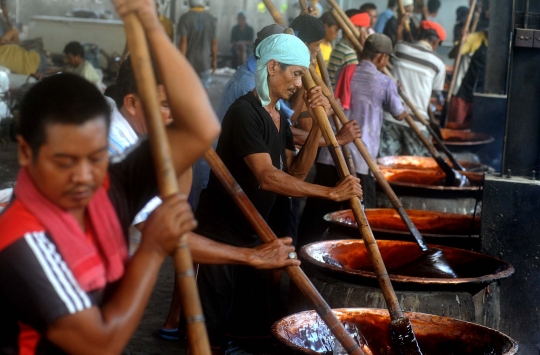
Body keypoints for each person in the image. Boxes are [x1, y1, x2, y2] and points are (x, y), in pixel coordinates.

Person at [0, 0, 299, 353]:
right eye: (63, 162)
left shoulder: (107, 181)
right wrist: (153, 249)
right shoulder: (22, 239)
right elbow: (99, 342)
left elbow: (200, 128)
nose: (82, 177)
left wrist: (151, 25)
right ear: (25, 153)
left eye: (96, 157)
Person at [195, 34, 363, 353]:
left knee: (248, 327)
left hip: (255, 230)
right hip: (222, 231)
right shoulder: (246, 112)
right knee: (212, 328)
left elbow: (295, 172)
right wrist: (329, 192)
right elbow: (268, 178)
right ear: (273, 67)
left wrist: (318, 127)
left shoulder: (279, 117)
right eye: (296, 74)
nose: (299, 84)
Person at [299, 34, 406, 246]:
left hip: (330, 151)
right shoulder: (385, 83)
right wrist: (399, 92)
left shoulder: (342, 72)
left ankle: (303, 250)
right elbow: (400, 114)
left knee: (317, 213)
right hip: (361, 159)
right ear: (382, 58)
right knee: (364, 218)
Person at [379, 20, 446, 157]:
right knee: (418, 167)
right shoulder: (438, 63)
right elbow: (434, 94)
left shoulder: (400, 47)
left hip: (390, 115)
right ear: (435, 42)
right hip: (417, 121)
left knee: (386, 164)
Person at [447, 2, 490, 129]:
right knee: (455, 128)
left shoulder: (503, 45)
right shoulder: (475, 38)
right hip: (463, 92)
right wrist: (461, 42)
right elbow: (453, 55)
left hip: (482, 95)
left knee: (475, 130)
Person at [177, 0, 217, 90]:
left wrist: (180, 61)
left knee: (188, 89)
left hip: (189, 61)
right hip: (205, 61)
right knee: (204, 88)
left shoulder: (185, 18)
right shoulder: (210, 19)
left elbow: (183, 41)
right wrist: (214, 60)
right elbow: (214, 42)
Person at [327, 12, 371, 87]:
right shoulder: (348, 53)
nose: (367, 34)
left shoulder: (340, 46)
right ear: (356, 28)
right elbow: (360, 83)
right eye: (366, 30)